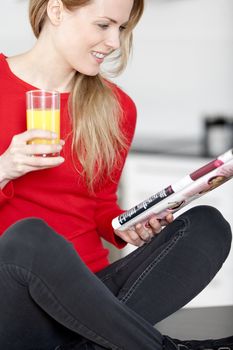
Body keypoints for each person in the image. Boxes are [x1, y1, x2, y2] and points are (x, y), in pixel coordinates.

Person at [0, 0, 232, 349]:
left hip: (92, 296)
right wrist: (4, 168)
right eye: (104, 25)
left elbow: (99, 206)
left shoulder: (116, 107)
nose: (114, 42)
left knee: (209, 226)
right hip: (11, 297)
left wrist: (130, 225)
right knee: (30, 239)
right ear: (57, 10)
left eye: (122, 29)